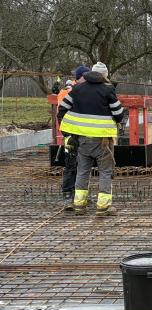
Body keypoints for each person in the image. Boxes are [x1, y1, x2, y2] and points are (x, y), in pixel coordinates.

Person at [57, 62, 124, 216]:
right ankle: (103, 207)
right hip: (102, 141)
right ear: (105, 75)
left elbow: (62, 108)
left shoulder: (77, 89)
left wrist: (69, 131)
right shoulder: (107, 90)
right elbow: (119, 113)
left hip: (81, 139)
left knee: (82, 171)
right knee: (105, 171)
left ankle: (79, 205)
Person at [57, 65, 89, 209]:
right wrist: (67, 133)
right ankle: (67, 195)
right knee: (71, 164)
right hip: (71, 135)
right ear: (80, 77)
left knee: (82, 165)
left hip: (82, 134)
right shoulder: (71, 92)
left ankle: (79, 195)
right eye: (86, 76)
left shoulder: (84, 90)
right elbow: (61, 113)